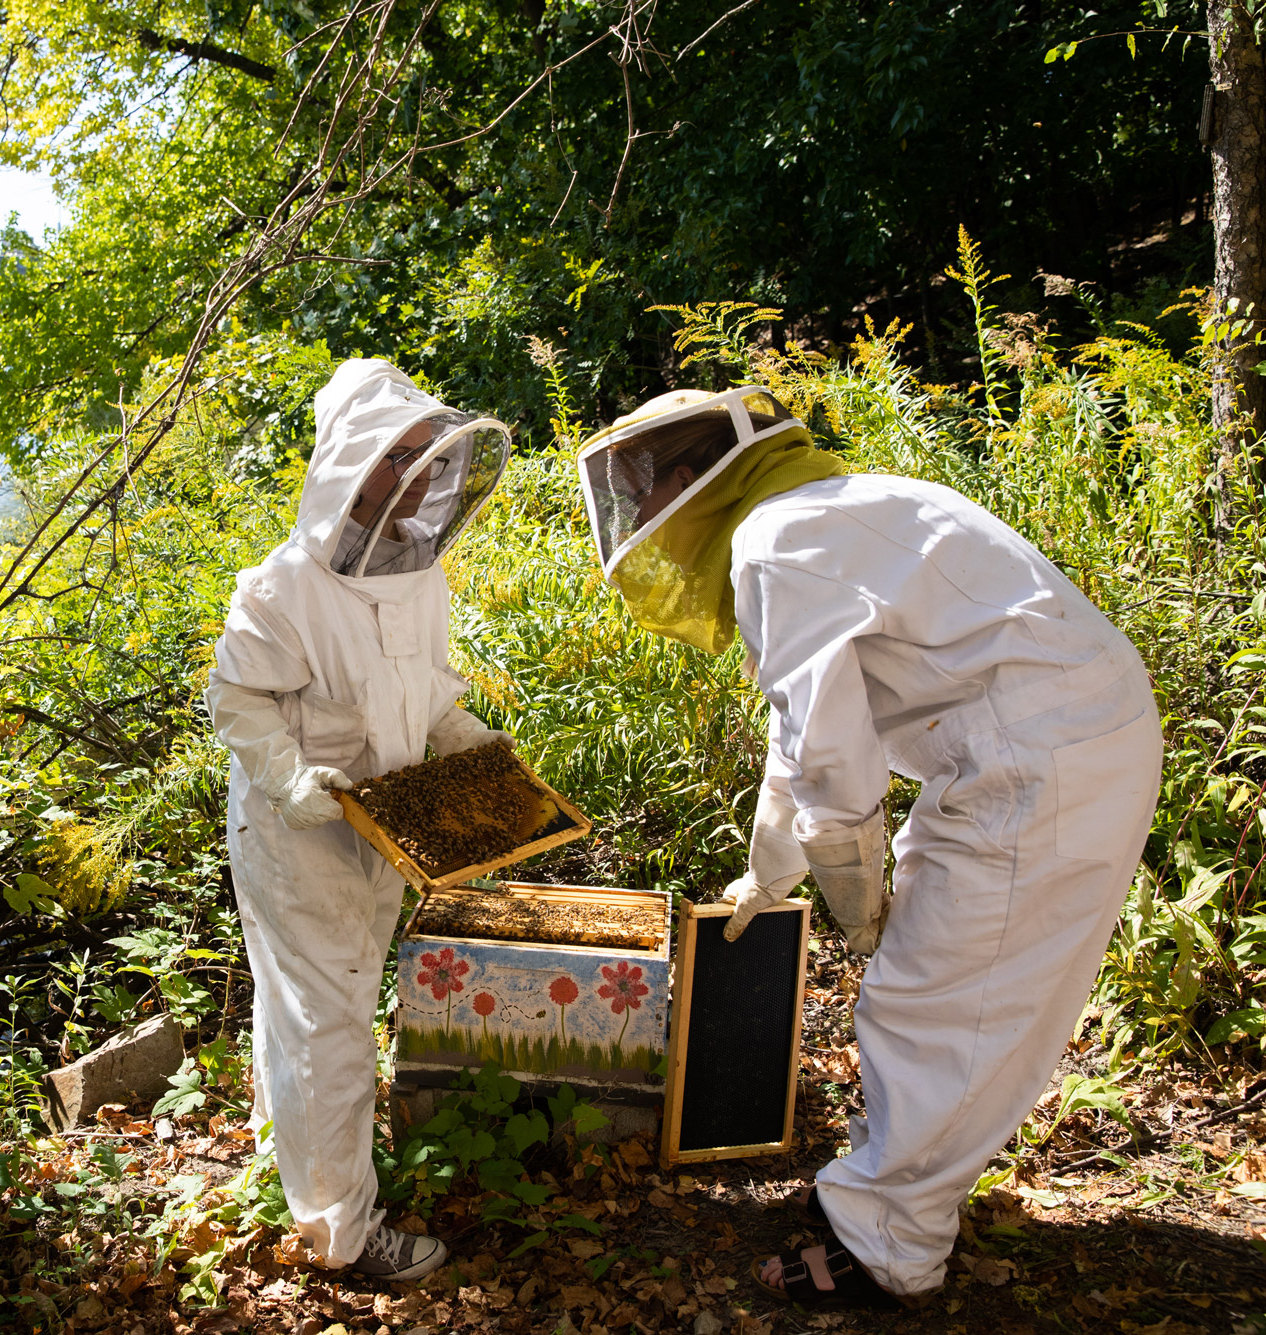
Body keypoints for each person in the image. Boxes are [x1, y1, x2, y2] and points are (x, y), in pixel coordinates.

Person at [574, 387, 1163, 1309]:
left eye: (642, 493)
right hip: (1048, 739)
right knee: (951, 988)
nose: (639, 518)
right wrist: (771, 868)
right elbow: (807, 728)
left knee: (930, 1000)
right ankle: (903, 1191)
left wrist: (855, 898)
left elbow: (834, 766)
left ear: (689, 481)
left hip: (1038, 760)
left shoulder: (775, 546)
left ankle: (887, 1245)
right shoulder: (841, 504)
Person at [205, 358, 512, 1281]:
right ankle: (340, 1231)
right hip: (299, 839)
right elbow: (235, 701)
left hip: (388, 830)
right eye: (397, 454)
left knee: (309, 1009)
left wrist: (466, 736)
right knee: (330, 1024)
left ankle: (285, 1151)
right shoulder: (280, 588)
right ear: (350, 463)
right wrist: (293, 777)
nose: (417, 473)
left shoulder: (419, 572)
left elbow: (423, 697)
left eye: (426, 452)